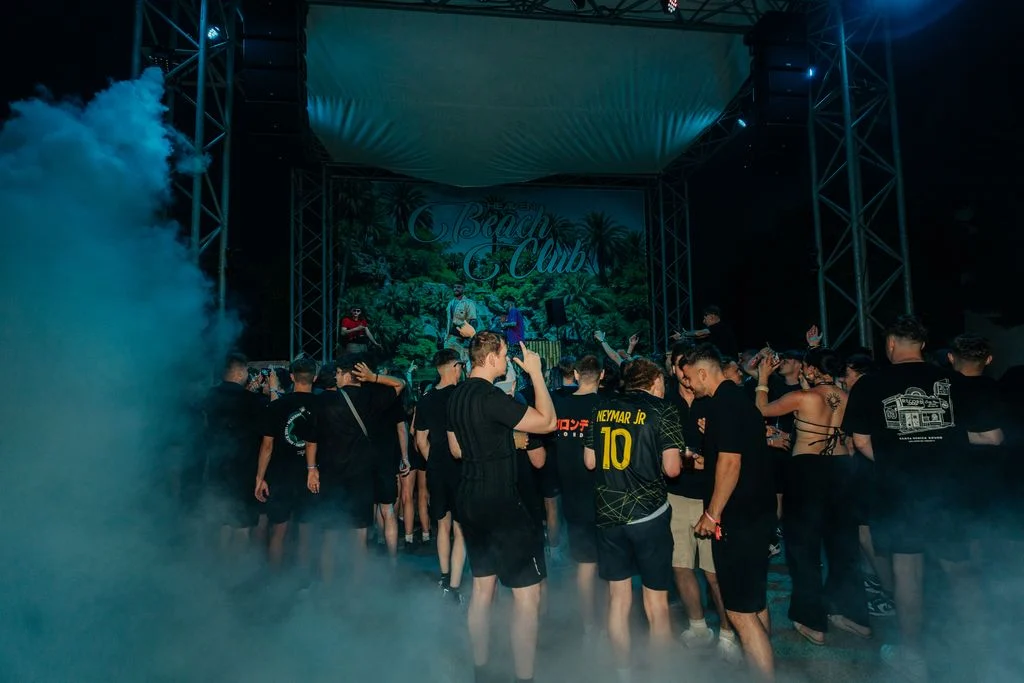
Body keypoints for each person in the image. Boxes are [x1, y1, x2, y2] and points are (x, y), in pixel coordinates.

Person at [844, 316, 1001, 681]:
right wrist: (948, 447)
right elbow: (992, 437)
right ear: (923, 346)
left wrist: (898, 459)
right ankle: (981, 644)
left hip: (899, 491)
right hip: (949, 489)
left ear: (891, 345)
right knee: (960, 569)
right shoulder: (952, 381)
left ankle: (912, 657)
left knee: (907, 574)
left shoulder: (872, 384)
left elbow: (861, 442)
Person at [446, 333, 556, 683]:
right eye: (505, 354)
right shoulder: (491, 397)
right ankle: (525, 677)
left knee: (481, 589)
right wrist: (537, 373)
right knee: (527, 597)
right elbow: (548, 423)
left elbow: (456, 450)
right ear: (491, 358)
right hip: (502, 504)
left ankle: (481, 672)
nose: (508, 359)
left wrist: (496, 442)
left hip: (469, 500)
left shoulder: (456, 396)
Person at [754, 348, 869, 645]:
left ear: (813, 369)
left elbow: (761, 409)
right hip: (842, 470)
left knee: (804, 550)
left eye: (806, 365)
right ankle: (853, 615)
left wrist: (763, 379)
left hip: (808, 472)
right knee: (844, 546)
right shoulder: (848, 397)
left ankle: (812, 621)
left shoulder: (803, 398)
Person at [584, 358, 683, 683]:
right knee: (656, 603)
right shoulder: (662, 410)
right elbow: (672, 469)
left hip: (609, 516)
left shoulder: (599, 409)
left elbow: (590, 460)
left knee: (618, 600)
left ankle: (623, 674)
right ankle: (661, 675)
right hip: (648, 516)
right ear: (654, 380)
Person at [683, 344, 776, 682]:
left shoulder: (723, 405)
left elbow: (731, 463)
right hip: (758, 513)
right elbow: (737, 457)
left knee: (739, 612)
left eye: (690, 378)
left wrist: (712, 513)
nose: (689, 385)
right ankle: (765, 666)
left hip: (739, 518)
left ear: (704, 373)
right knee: (755, 601)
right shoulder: (740, 402)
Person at [550, 355, 604, 639]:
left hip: (571, 495)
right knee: (608, 564)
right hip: (604, 496)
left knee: (584, 565)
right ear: (602, 375)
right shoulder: (605, 407)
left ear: (574, 374)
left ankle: (588, 626)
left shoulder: (559, 406)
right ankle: (609, 621)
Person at [254, 358, 321, 571]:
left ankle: (275, 578)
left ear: (291, 377)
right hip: (310, 476)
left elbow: (267, 446)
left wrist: (259, 477)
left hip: (280, 474)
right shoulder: (322, 405)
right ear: (315, 378)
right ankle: (303, 580)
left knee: (279, 530)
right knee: (306, 531)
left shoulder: (277, 406)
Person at [412, 349, 468, 603]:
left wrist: (434, 459)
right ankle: (454, 586)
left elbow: (420, 439)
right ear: (455, 366)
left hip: (436, 468)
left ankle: (445, 577)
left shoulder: (426, 399)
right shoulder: (462, 396)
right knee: (461, 527)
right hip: (461, 468)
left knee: (442, 524)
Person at [201, 352, 267, 557]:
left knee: (223, 520)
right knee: (242, 525)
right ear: (239, 373)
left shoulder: (209, 396)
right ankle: (237, 571)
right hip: (244, 470)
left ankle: (221, 569)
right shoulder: (253, 400)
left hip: (216, 466)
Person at [444, 284, 479, 361]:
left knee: (463, 362)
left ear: (463, 289)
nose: (456, 289)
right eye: (455, 287)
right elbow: (448, 320)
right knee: (448, 362)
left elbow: (473, 321)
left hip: (462, 339)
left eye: (459, 287)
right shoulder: (450, 303)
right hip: (449, 338)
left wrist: (469, 339)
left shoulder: (469, 303)